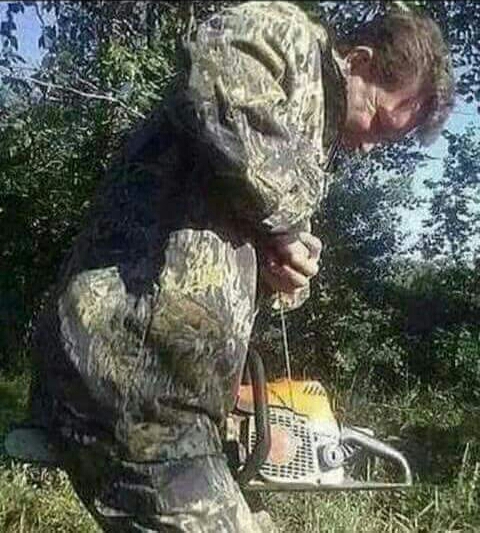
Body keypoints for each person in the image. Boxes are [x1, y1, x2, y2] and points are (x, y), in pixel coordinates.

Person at [29, 2, 454, 531]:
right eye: (380, 123)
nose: (369, 147)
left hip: (173, 396)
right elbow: (217, 70)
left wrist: (280, 272)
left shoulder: (304, 135)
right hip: (129, 373)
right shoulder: (288, 36)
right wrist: (286, 224)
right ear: (360, 62)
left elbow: (232, 236)